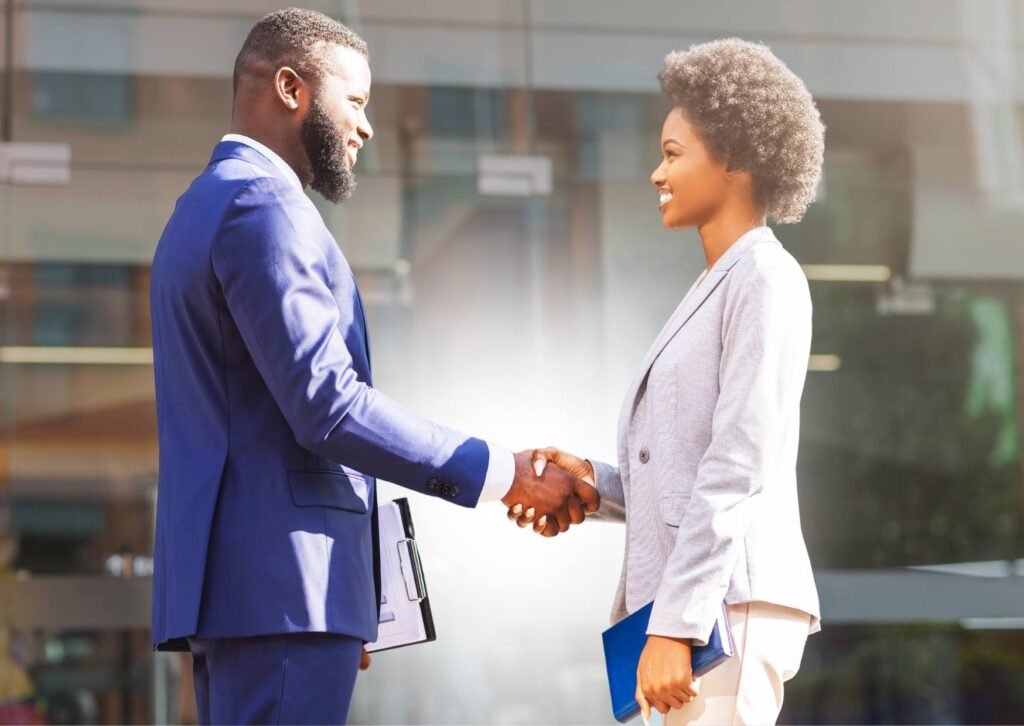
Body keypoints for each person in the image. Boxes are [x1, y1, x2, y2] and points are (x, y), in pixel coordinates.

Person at [149, 8, 598, 725]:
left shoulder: (200, 207)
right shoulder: (262, 205)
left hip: (269, 595)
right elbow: (327, 405)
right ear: (291, 88)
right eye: (353, 102)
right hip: (287, 593)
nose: (363, 128)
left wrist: (353, 586)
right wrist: (505, 472)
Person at [520, 38, 824, 725]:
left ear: (738, 157)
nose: (657, 172)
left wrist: (677, 623)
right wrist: (596, 485)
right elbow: (684, 466)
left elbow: (739, 464)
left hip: (723, 610)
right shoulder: (718, 284)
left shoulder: (765, 279)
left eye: (674, 153)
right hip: (696, 607)